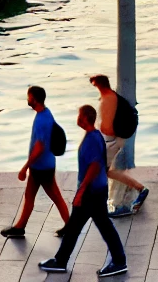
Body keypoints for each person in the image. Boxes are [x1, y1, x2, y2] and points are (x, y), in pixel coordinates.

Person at [38, 105, 127, 277]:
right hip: (96, 191)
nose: (77, 118)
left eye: (79, 116)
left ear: (85, 118)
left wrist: (81, 191)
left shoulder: (93, 139)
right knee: (81, 226)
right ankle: (62, 260)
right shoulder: (94, 136)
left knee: (88, 226)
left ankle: (118, 261)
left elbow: (94, 167)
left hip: (91, 193)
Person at [1, 86, 70, 238]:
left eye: (29, 97)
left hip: (41, 166)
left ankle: (70, 226)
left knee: (53, 196)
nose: (27, 99)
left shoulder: (41, 120)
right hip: (45, 164)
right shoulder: (46, 113)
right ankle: (20, 227)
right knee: (31, 195)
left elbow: (39, 147)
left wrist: (24, 167)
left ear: (34, 99)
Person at [89, 75, 148, 215]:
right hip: (112, 140)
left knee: (101, 172)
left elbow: (107, 128)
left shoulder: (108, 99)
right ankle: (140, 189)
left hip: (110, 141)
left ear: (99, 85)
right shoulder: (110, 96)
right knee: (106, 171)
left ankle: (117, 204)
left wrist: (97, 134)